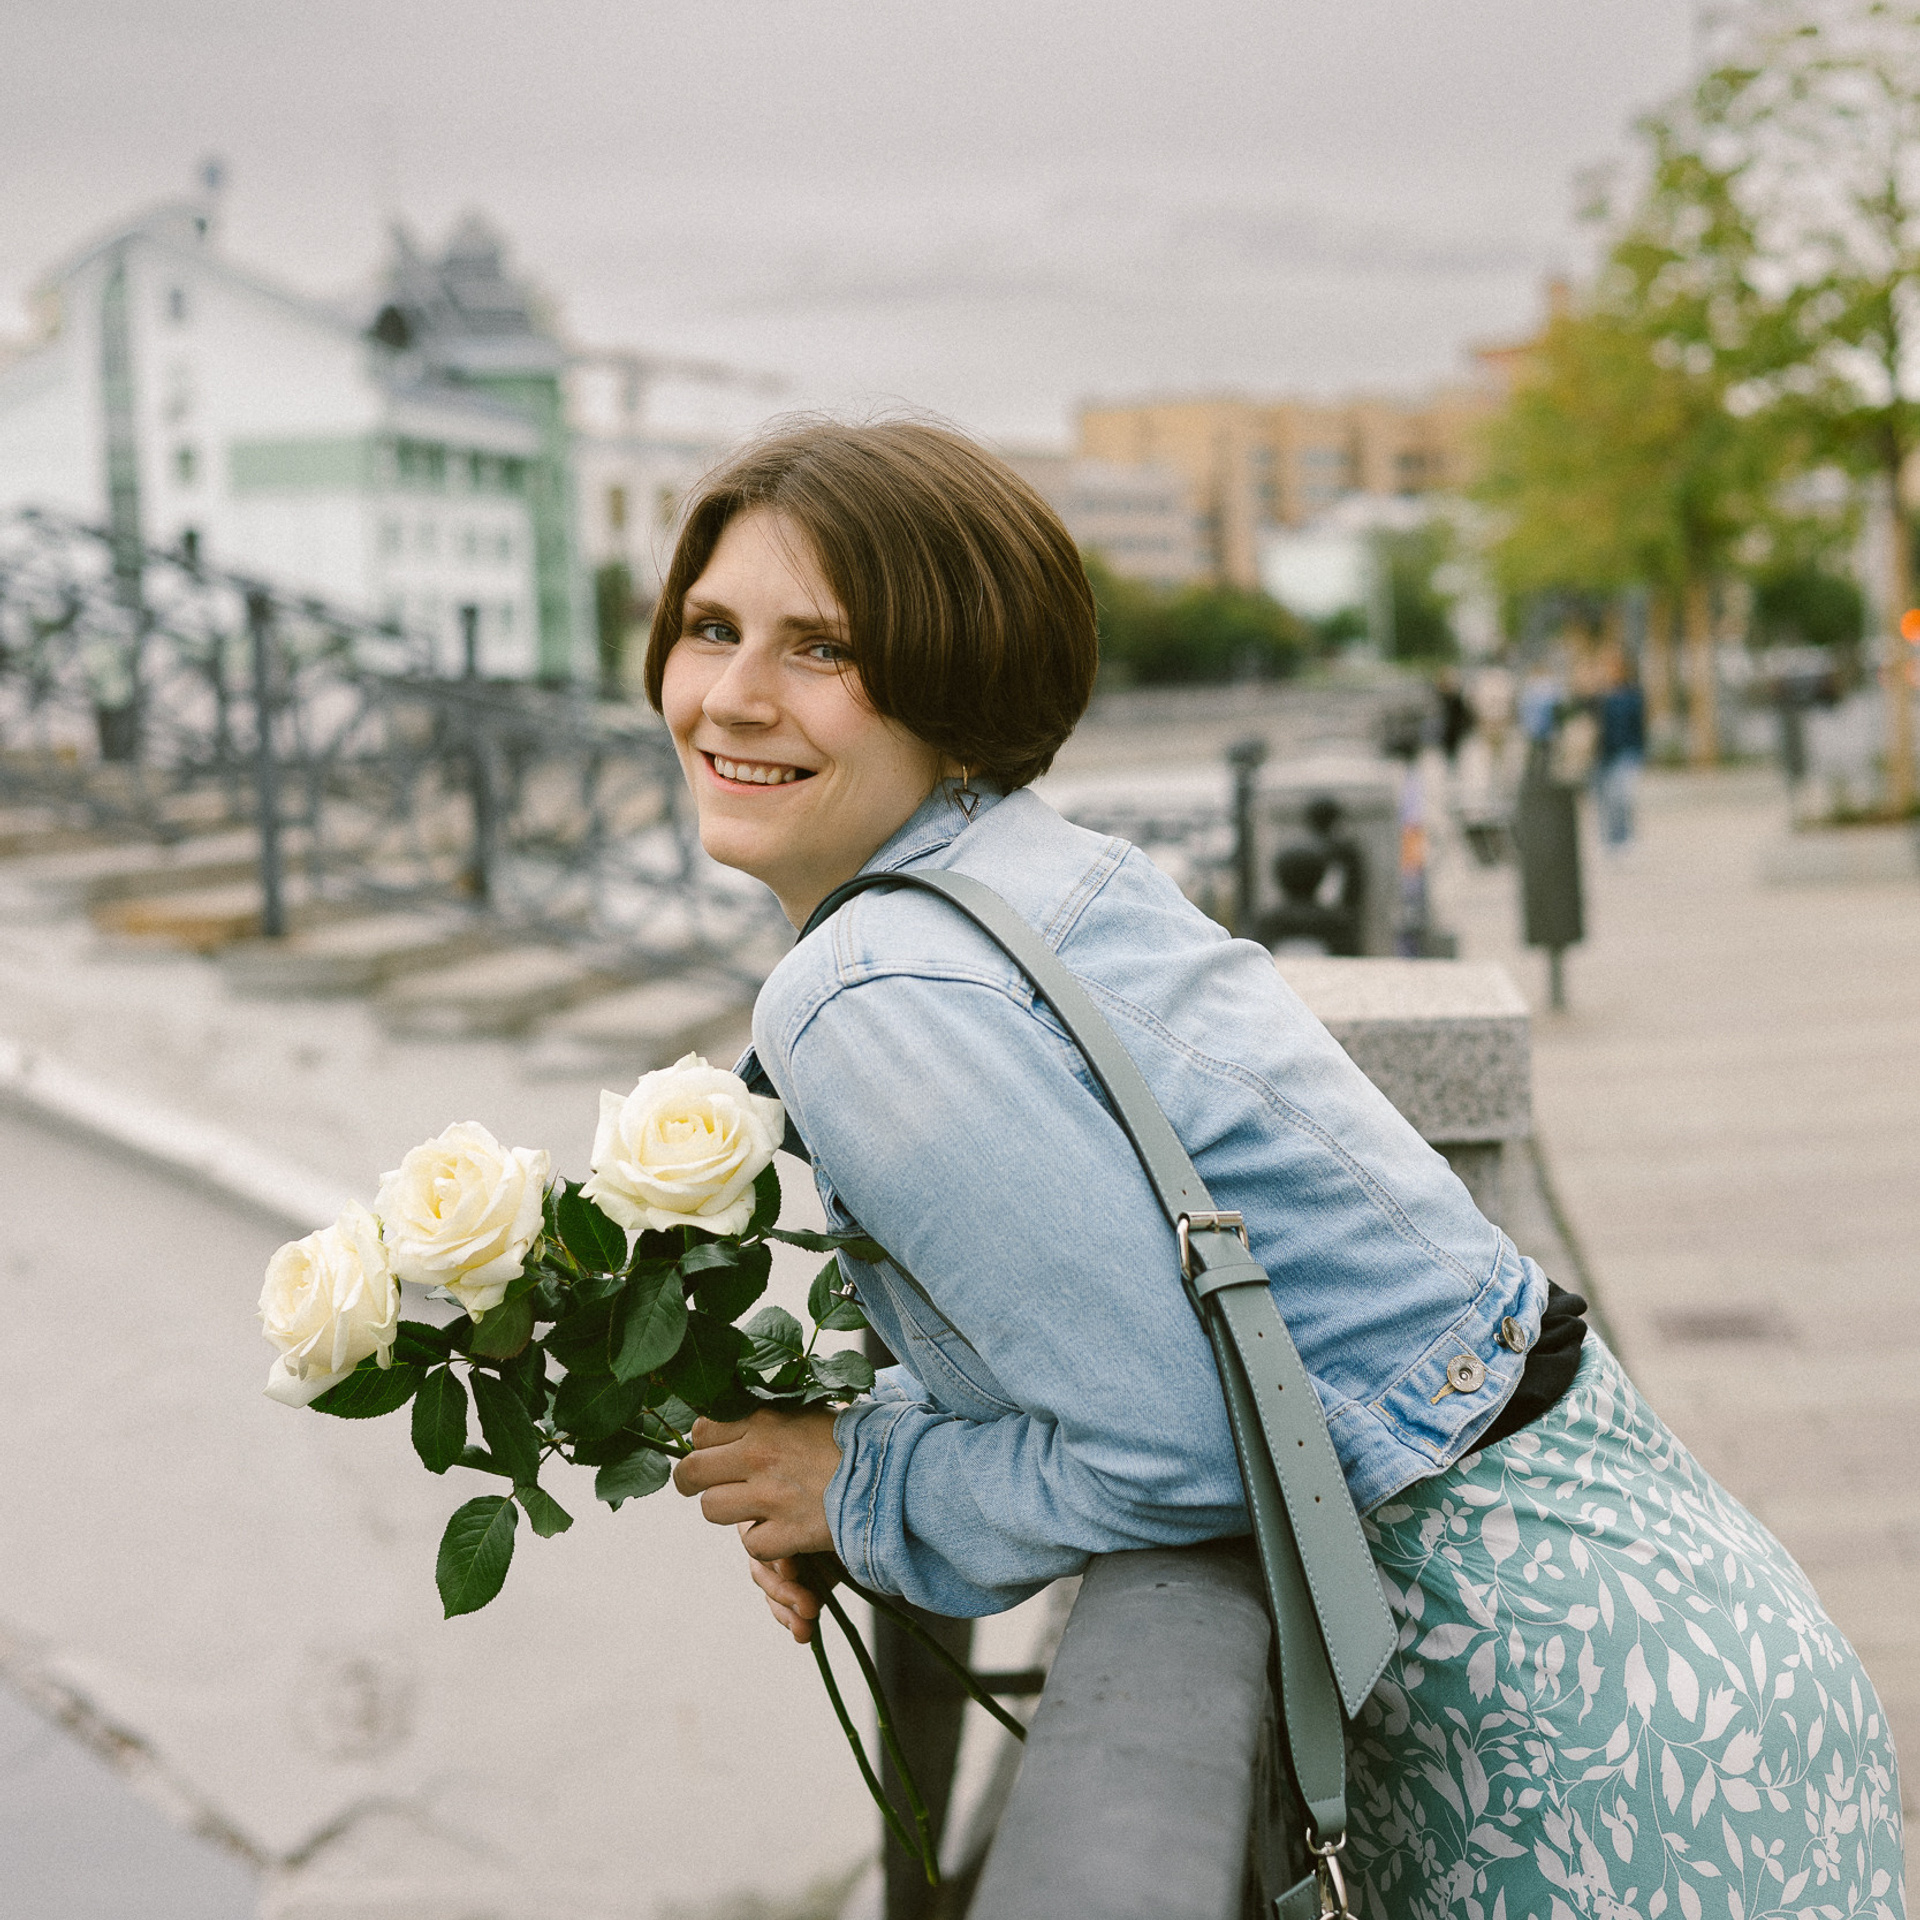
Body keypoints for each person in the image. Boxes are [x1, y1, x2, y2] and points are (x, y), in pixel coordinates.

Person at [655, 421, 1903, 1915]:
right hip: (1664, 1636)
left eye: (822, 649)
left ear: (958, 679)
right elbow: (1116, 1329)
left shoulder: (864, 989)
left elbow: (1171, 1452)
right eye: (711, 627)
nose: (732, 694)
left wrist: (865, 1488)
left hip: (1569, 1731)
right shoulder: (1024, 875)